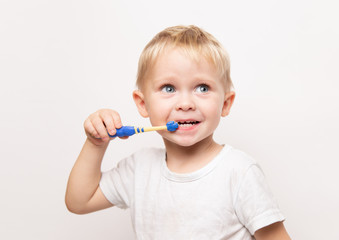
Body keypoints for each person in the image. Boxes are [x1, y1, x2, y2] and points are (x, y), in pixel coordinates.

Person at [65, 25, 291, 240]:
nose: (185, 103)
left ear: (225, 103)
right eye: (169, 88)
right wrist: (95, 144)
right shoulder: (139, 169)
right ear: (143, 104)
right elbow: (79, 201)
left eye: (202, 88)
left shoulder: (239, 172)